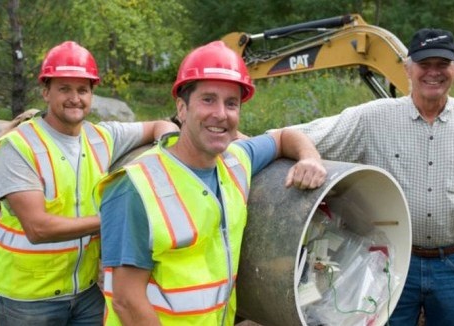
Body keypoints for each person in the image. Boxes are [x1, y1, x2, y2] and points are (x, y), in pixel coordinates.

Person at [285, 28, 454, 325]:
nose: (433, 73)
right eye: (424, 64)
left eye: (442, 65)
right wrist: (261, 148)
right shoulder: (372, 118)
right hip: (391, 261)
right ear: (407, 68)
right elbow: (301, 136)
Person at [95, 40, 327, 325]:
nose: (221, 114)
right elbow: (126, 300)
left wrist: (310, 157)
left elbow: (282, 137)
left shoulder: (236, 161)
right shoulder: (136, 187)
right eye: (208, 99)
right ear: (181, 108)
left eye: (231, 104)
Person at [0, 41, 178, 325]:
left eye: (83, 90)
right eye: (65, 89)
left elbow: (158, 126)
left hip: (84, 291)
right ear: (46, 92)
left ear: (91, 94)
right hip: (28, 298)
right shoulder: (17, 146)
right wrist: (111, 219)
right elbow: (37, 228)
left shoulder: (101, 137)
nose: (75, 98)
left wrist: (168, 146)